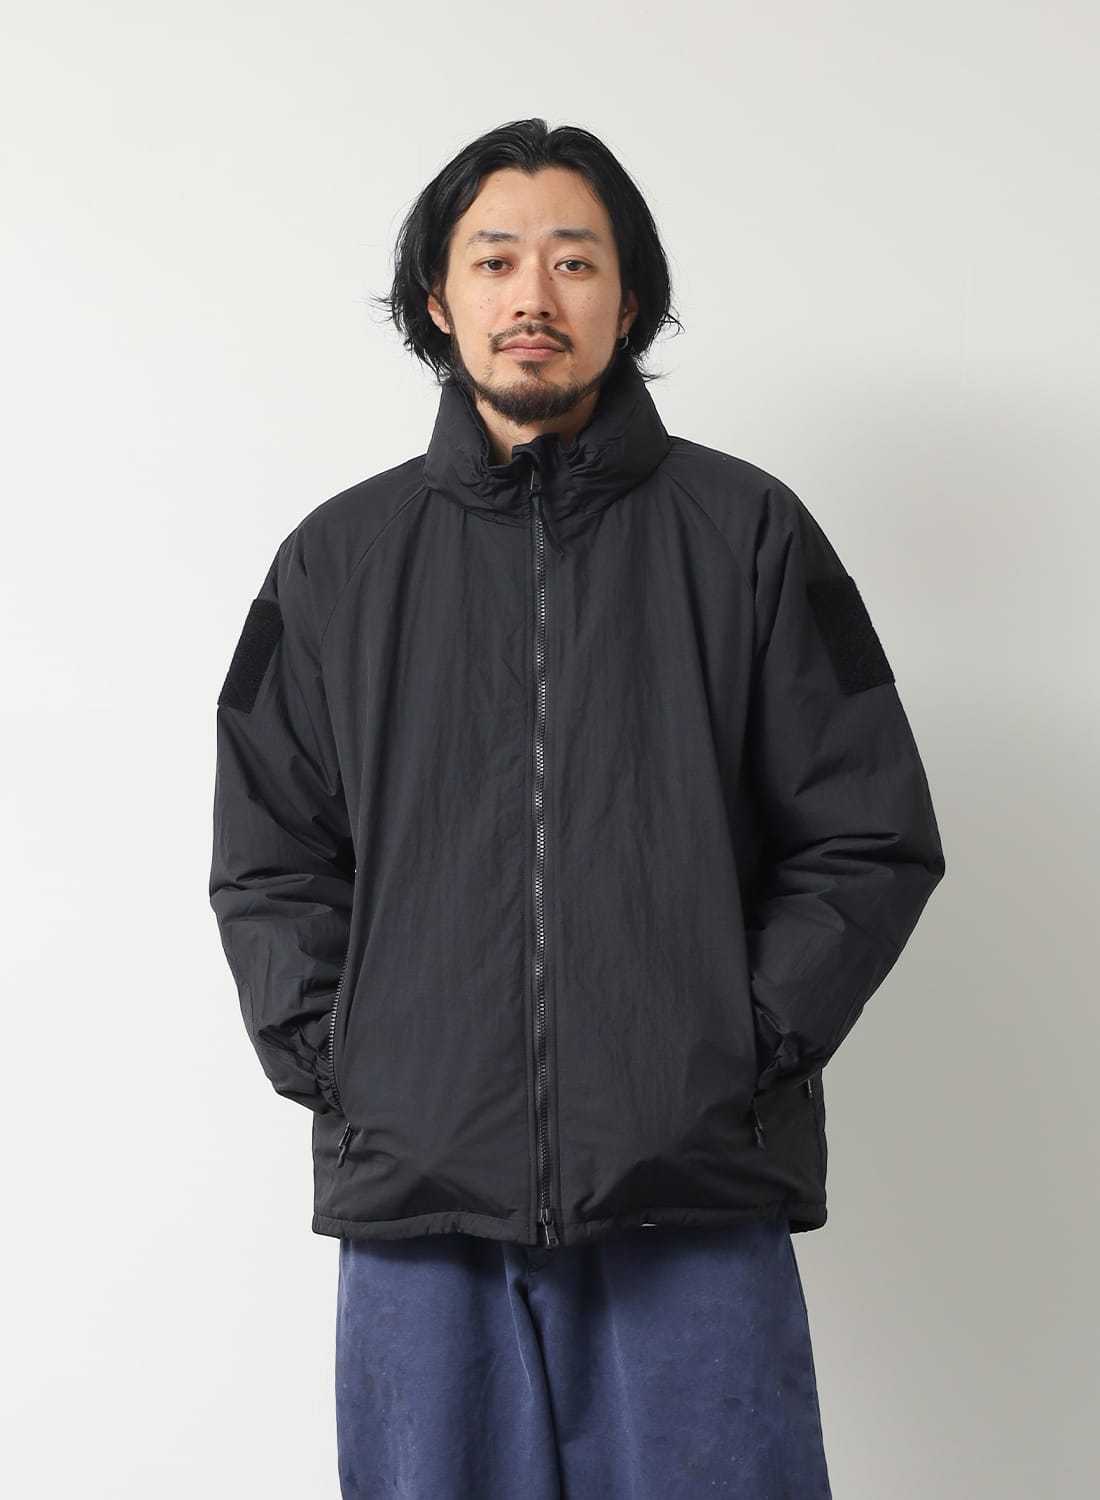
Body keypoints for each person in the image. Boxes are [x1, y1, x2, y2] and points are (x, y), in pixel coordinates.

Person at [209, 117, 946, 1499]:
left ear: (629, 296)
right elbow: (268, 855)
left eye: (574, 260)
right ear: (439, 298)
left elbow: (870, 832)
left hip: (692, 1198)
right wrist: (356, 1065)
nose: (532, 296)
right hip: (422, 1210)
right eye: (494, 260)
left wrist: (734, 1045)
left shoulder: (751, 535)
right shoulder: (336, 564)